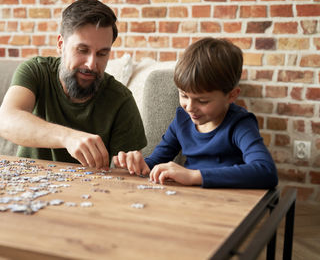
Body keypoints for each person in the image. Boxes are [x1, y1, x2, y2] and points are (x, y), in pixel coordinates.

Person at [0, 0, 147, 170]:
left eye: (102, 54)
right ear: (61, 44)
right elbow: (5, 122)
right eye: (82, 50)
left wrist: (131, 167)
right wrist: (67, 137)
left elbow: (127, 178)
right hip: (27, 186)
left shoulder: (121, 100)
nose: (91, 64)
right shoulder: (36, 71)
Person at [113, 37, 278, 189]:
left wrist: (193, 176)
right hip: (190, 199)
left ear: (231, 96)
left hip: (228, 202)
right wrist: (135, 164)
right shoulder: (182, 120)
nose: (190, 107)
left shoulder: (240, 124)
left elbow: (265, 171)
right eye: (184, 95)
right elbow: (156, 161)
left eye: (203, 101)